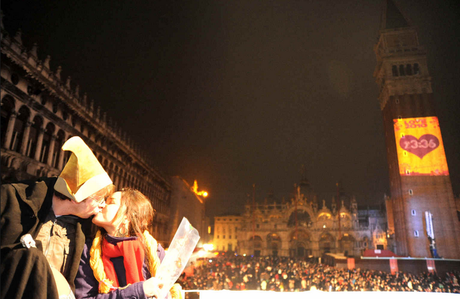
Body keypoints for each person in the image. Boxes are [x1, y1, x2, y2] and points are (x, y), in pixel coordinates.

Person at [1, 136, 115, 299]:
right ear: (76, 195)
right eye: (98, 198)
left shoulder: (83, 231)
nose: (103, 205)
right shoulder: (12, 200)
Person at [75, 189, 182, 299]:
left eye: (111, 202)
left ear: (127, 217)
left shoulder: (154, 252)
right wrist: (138, 290)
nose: (102, 204)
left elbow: (166, 291)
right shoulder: (90, 251)